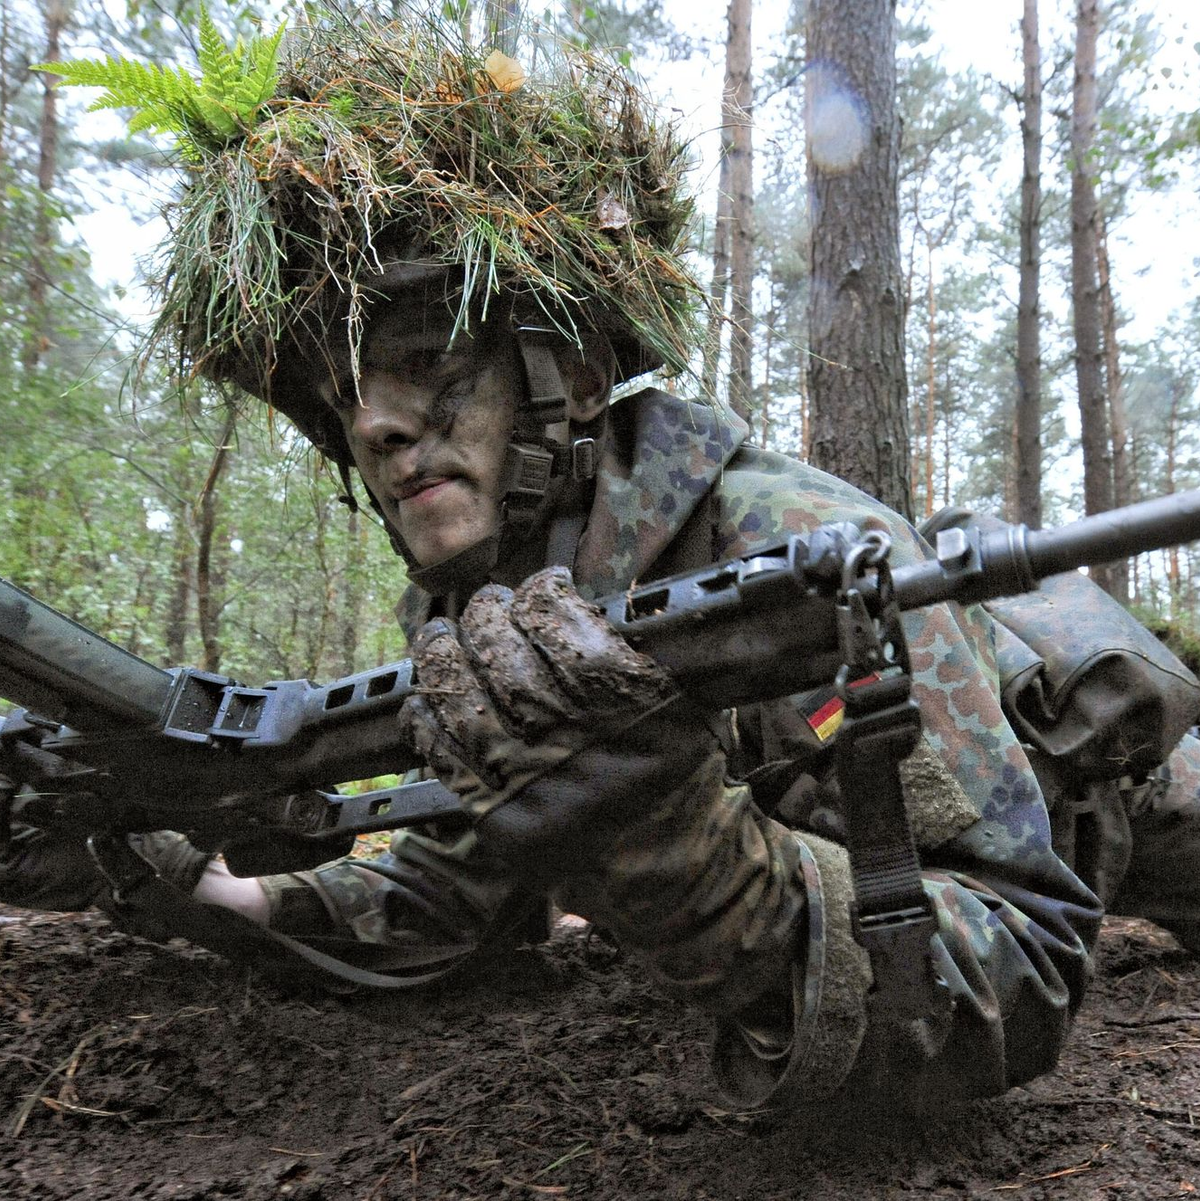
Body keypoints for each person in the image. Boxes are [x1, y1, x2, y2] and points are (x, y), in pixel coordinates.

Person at [2, 9, 1183, 1117]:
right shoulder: (489, 604)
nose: (376, 425)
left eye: (427, 361)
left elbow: (1024, 967)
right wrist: (180, 883)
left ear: (561, 375)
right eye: (342, 393)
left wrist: (691, 863)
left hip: (1138, 814)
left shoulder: (799, 554)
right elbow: (449, 896)